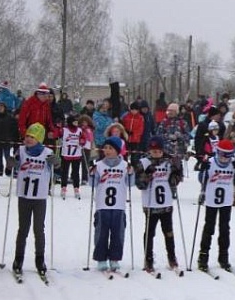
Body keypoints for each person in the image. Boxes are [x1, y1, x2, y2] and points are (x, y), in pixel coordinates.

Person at [12, 123, 58, 276]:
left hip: (39, 198)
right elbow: (13, 167)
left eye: (32, 137)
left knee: (39, 229)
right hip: (24, 196)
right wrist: (12, 164)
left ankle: (40, 259)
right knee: (23, 229)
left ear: (39, 139)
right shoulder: (21, 151)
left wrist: (56, 162)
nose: (28, 139)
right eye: (27, 136)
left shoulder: (47, 152)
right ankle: (18, 258)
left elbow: (57, 169)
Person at [135, 136, 183, 273]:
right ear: (149, 150)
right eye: (153, 151)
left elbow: (174, 182)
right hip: (150, 205)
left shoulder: (168, 162)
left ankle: (172, 258)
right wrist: (147, 174)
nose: (156, 153)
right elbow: (140, 184)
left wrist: (177, 171)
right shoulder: (144, 162)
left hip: (166, 204)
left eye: (159, 151)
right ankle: (148, 259)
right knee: (150, 233)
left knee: (168, 232)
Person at [197, 139, 235, 272]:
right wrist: (203, 168)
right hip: (211, 201)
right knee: (209, 228)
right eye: (222, 155)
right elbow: (201, 179)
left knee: (224, 230)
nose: (224, 159)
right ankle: (203, 257)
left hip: (226, 202)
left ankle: (223, 257)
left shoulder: (233, 164)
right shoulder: (211, 162)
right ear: (218, 152)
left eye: (228, 156)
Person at [90, 136, 134, 272]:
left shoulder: (124, 165)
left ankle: (115, 258)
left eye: (111, 148)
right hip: (102, 205)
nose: (107, 151)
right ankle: (101, 258)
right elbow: (92, 184)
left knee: (118, 233)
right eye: (105, 148)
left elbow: (131, 183)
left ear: (117, 150)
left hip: (118, 206)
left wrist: (131, 173)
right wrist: (91, 174)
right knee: (101, 233)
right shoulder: (99, 165)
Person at [59, 113, 84, 199]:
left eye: (77, 122)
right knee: (64, 172)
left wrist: (82, 141)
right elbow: (58, 134)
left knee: (76, 172)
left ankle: (76, 188)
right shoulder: (64, 130)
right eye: (74, 122)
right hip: (66, 154)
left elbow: (83, 138)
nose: (76, 124)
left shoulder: (79, 130)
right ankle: (63, 187)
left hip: (77, 155)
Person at [0, 101, 18, 177]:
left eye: (2, 107)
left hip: (7, 140)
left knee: (7, 156)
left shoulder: (10, 117)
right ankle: (0, 171)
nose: (0, 108)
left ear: (5, 108)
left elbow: (14, 127)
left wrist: (11, 137)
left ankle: (9, 170)